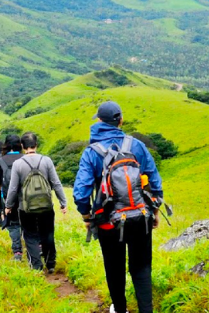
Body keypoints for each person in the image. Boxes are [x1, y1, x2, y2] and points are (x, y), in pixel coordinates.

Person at [73, 101, 164, 313]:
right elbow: (155, 182)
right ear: (120, 121)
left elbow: (81, 192)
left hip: (108, 222)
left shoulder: (91, 151)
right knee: (141, 267)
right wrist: (155, 212)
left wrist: (87, 217)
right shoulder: (136, 145)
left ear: (99, 121)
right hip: (140, 217)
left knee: (114, 268)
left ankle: (120, 309)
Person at [4, 132, 67, 272]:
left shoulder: (18, 164)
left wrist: (8, 206)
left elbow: (13, 188)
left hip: (25, 207)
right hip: (46, 205)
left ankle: (36, 266)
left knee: (30, 235)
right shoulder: (47, 160)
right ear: (36, 145)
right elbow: (56, 183)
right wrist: (63, 202)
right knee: (48, 233)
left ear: (22, 146)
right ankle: (50, 263)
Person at [0, 135, 25, 261]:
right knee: (29, 222)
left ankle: (17, 253)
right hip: (26, 197)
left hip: (8, 197)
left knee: (13, 224)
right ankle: (37, 247)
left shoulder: (1, 160)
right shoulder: (25, 158)